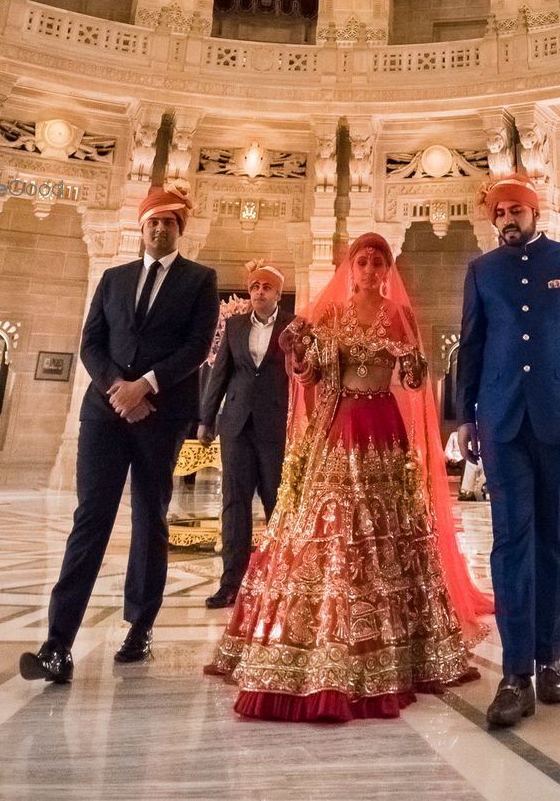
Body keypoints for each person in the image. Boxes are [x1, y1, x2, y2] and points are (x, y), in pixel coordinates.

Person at [206, 232, 492, 722]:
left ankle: (398, 644)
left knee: (387, 532)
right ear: (350, 267)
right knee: (333, 529)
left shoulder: (399, 315)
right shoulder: (332, 314)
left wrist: (414, 362)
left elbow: (415, 381)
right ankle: (322, 629)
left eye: (378, 262)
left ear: (386, 270)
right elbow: (311, 374)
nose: (370, 269)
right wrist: (298, 351)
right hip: (338, 430)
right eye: (362, 261)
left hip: (383, 429)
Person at [19, 186, 219, 684]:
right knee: (90, 519)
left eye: (169, 223)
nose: (159, 229)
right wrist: (117, 390)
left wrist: (146, 386)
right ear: (141, 227)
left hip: (162, 412)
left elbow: (197, 347)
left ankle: (140, 627)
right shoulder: (113, 279)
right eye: (152, 222)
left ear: (180, 230)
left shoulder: (200, 280)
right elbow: (90, 344)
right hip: (106, 414)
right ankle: (57, 644)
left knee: (150, 517)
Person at [456, 175, 560, 730]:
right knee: (511, 542)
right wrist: (464, 416)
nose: (507, 219)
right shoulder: (482, 271)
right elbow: (470, 344)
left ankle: (550, 660)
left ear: (534, 214)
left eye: (516, 210)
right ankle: (515, 672)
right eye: (499, 212)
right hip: (501, 422)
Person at [198, 259, 293, 610]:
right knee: (234, 505)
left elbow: (301, 379)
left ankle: (283, 582)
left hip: (275, 428)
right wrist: (206, 420)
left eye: (265, 287)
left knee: (277, 505)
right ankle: (230, 585)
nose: (258, 292)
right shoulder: (235, 325)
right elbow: (219, 374)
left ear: (278, 293)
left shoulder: (293, 326)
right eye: (254, 287)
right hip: (236, 426)